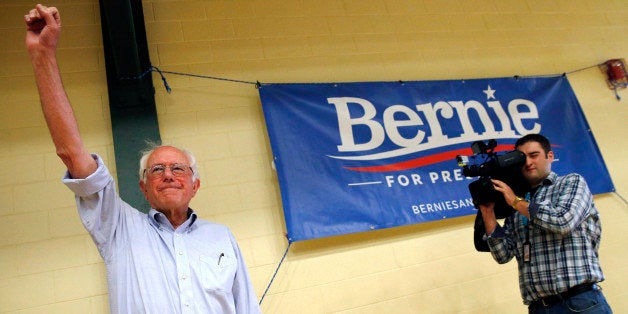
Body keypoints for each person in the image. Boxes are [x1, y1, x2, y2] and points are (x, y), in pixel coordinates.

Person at [25, 4, 262, 313]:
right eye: (157, 170)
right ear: (144, 187)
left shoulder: (221, 236)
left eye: (179, 168)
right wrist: (43, 55)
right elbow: (70, 152)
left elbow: (245, 306)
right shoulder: (119, 228)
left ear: (195, 184)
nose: (168, 174)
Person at [478, 134, 612, 313]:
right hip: (539, 308)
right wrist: (488, 212)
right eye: (522, 158)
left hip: (580, 302)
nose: (528, 163)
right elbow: (503, 254)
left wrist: (515, 202)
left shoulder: (570, 183)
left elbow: (562, 222)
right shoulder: (518, 198)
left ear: (550, 156)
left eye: (534, 155)